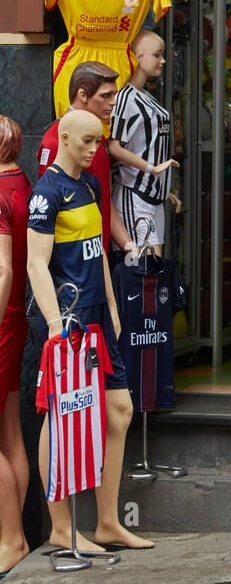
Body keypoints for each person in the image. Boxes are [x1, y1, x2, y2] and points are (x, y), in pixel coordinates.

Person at [27, 109, 153, 549]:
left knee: (119, 412)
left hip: (100, 313)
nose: (94, 150)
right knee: (58, 416)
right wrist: (55, 324)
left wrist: (115, 305)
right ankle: (61, 528)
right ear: (64, 138)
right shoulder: (47, 192)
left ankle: (107, 522)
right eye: (86, 141)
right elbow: (35, 264)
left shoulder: (90, 183)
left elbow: (98, 249)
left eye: (98, 142)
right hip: (72, 318)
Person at [38, 60, 136, 257]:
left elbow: (103, 201)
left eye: (114, 94)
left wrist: (130, 246)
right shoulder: (55, 140)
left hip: (95, 256)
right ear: (82, 94)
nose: (114, 102)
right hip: (72, 264)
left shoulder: (95, 136)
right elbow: (47, 210)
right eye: (106, 95)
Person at [108, 31, 180, 256]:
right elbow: (114, 146)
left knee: (154, 268)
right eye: (157, 55)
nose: (163, 61)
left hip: (153, 196)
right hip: (135, 195)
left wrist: (163, 187)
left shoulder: (147, 97)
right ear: (138, 56)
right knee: (143, 267)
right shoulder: (125, 99)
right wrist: (152, 169)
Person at [0, 116, 31, 577]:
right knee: (10, 431)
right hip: (16, 317)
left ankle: (11, 539)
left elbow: (2, 269)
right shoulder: (22, 183)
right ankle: (15, 534)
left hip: (2, 318)